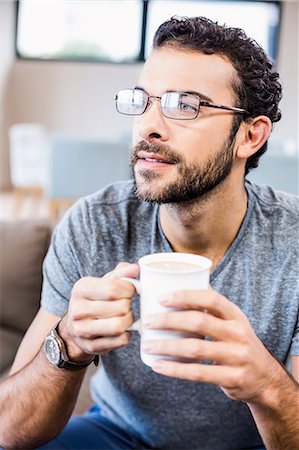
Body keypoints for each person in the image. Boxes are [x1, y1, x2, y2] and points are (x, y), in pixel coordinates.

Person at [0, 15, 298, 450]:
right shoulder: (94, 222)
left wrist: (267, 384)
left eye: (185, 105)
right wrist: (67, 342)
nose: (149, 126)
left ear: (250, 135)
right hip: (116, 433)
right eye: (143, 100)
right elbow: (10, 429)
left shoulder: (292, 240)